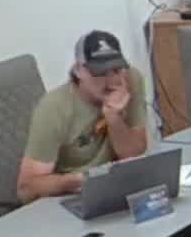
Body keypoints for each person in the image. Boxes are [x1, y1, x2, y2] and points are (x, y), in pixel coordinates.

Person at [16, 30, 150, 203]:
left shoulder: (131, 80)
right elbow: (26, 189)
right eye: (100, 72)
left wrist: (113, 116)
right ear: (78, 71)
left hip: (118, 186)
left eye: (116, 70)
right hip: (73, 194)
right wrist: (69, 182)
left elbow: (133, 154)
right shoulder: (54, 108)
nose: (111, 81)